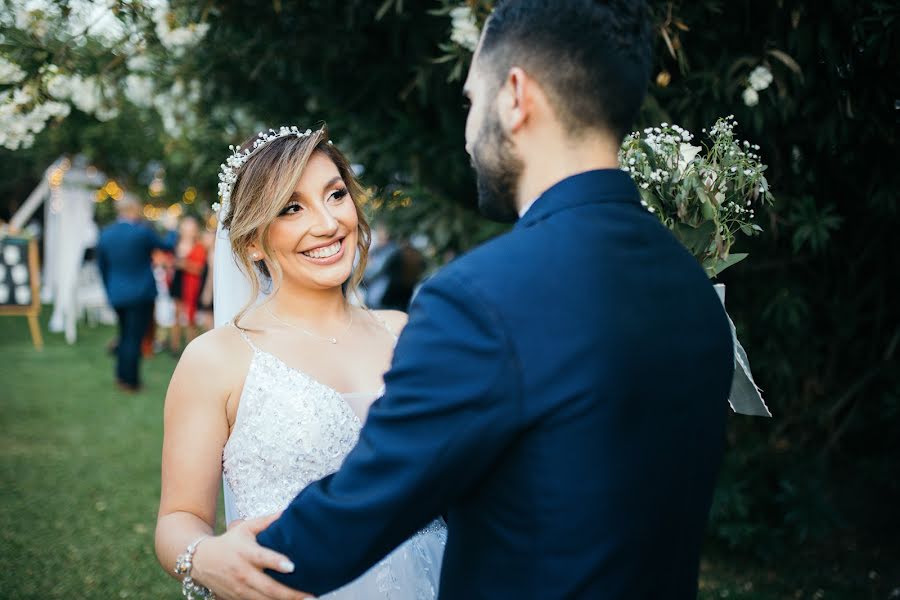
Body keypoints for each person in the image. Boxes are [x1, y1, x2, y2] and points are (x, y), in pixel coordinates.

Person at [190, 1, 735, 598]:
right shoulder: (692, 288)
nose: (469, 134)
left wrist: (226, 563)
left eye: (473, 101)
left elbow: (375, 502)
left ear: (516, 97)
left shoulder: (478, 300)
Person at [154, 127, 446, 600]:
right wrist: (204, 556)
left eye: (335, 195)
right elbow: (177, 518)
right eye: (292, 208)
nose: (328, 223)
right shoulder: (217, 358)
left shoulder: (404, 332)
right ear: (251, 241)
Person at [96, 197, 175, 392]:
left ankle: (121, 376)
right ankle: (131, 381)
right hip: (140, 294)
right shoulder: (142, 233)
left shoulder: (106, 234)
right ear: (134, 209)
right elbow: (167, 246)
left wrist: (109, 291)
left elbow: (102, 268)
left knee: (124, 335)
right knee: (134, 338)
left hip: (117, 294)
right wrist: (172, 229)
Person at [168, 216, 207, 353]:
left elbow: (200, 268)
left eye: (190, 229)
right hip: (177, 282)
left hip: (191, 284)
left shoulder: (199, 247)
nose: (187, 231)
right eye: (185, 228)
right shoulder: (175, 244)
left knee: (190, 316)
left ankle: (191, 347)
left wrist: (183, 264)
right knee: (176, 315)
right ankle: (174, 345)